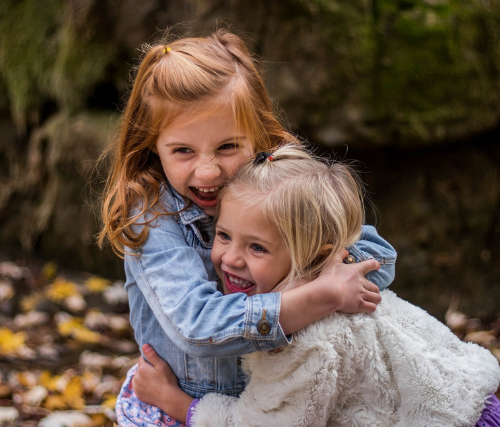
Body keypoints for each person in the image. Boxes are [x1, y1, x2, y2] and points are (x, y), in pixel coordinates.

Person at [99, 30, 396, 426]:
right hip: (182, 404)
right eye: (183, 151)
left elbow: (379, 258)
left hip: (273, 403)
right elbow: (198, 327)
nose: (208, 171)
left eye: (227, 147)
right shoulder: (152, 216)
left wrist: (314, 273)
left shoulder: (277, 190)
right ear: (153, 144)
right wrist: (316, 296)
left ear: (258, 135)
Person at [133, 145, 500, 427]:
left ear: (313, 256)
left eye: (257, 247)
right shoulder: (336, 282)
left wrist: (176, 403)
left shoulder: (305, 339)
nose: (230, 258)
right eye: (224, 235)